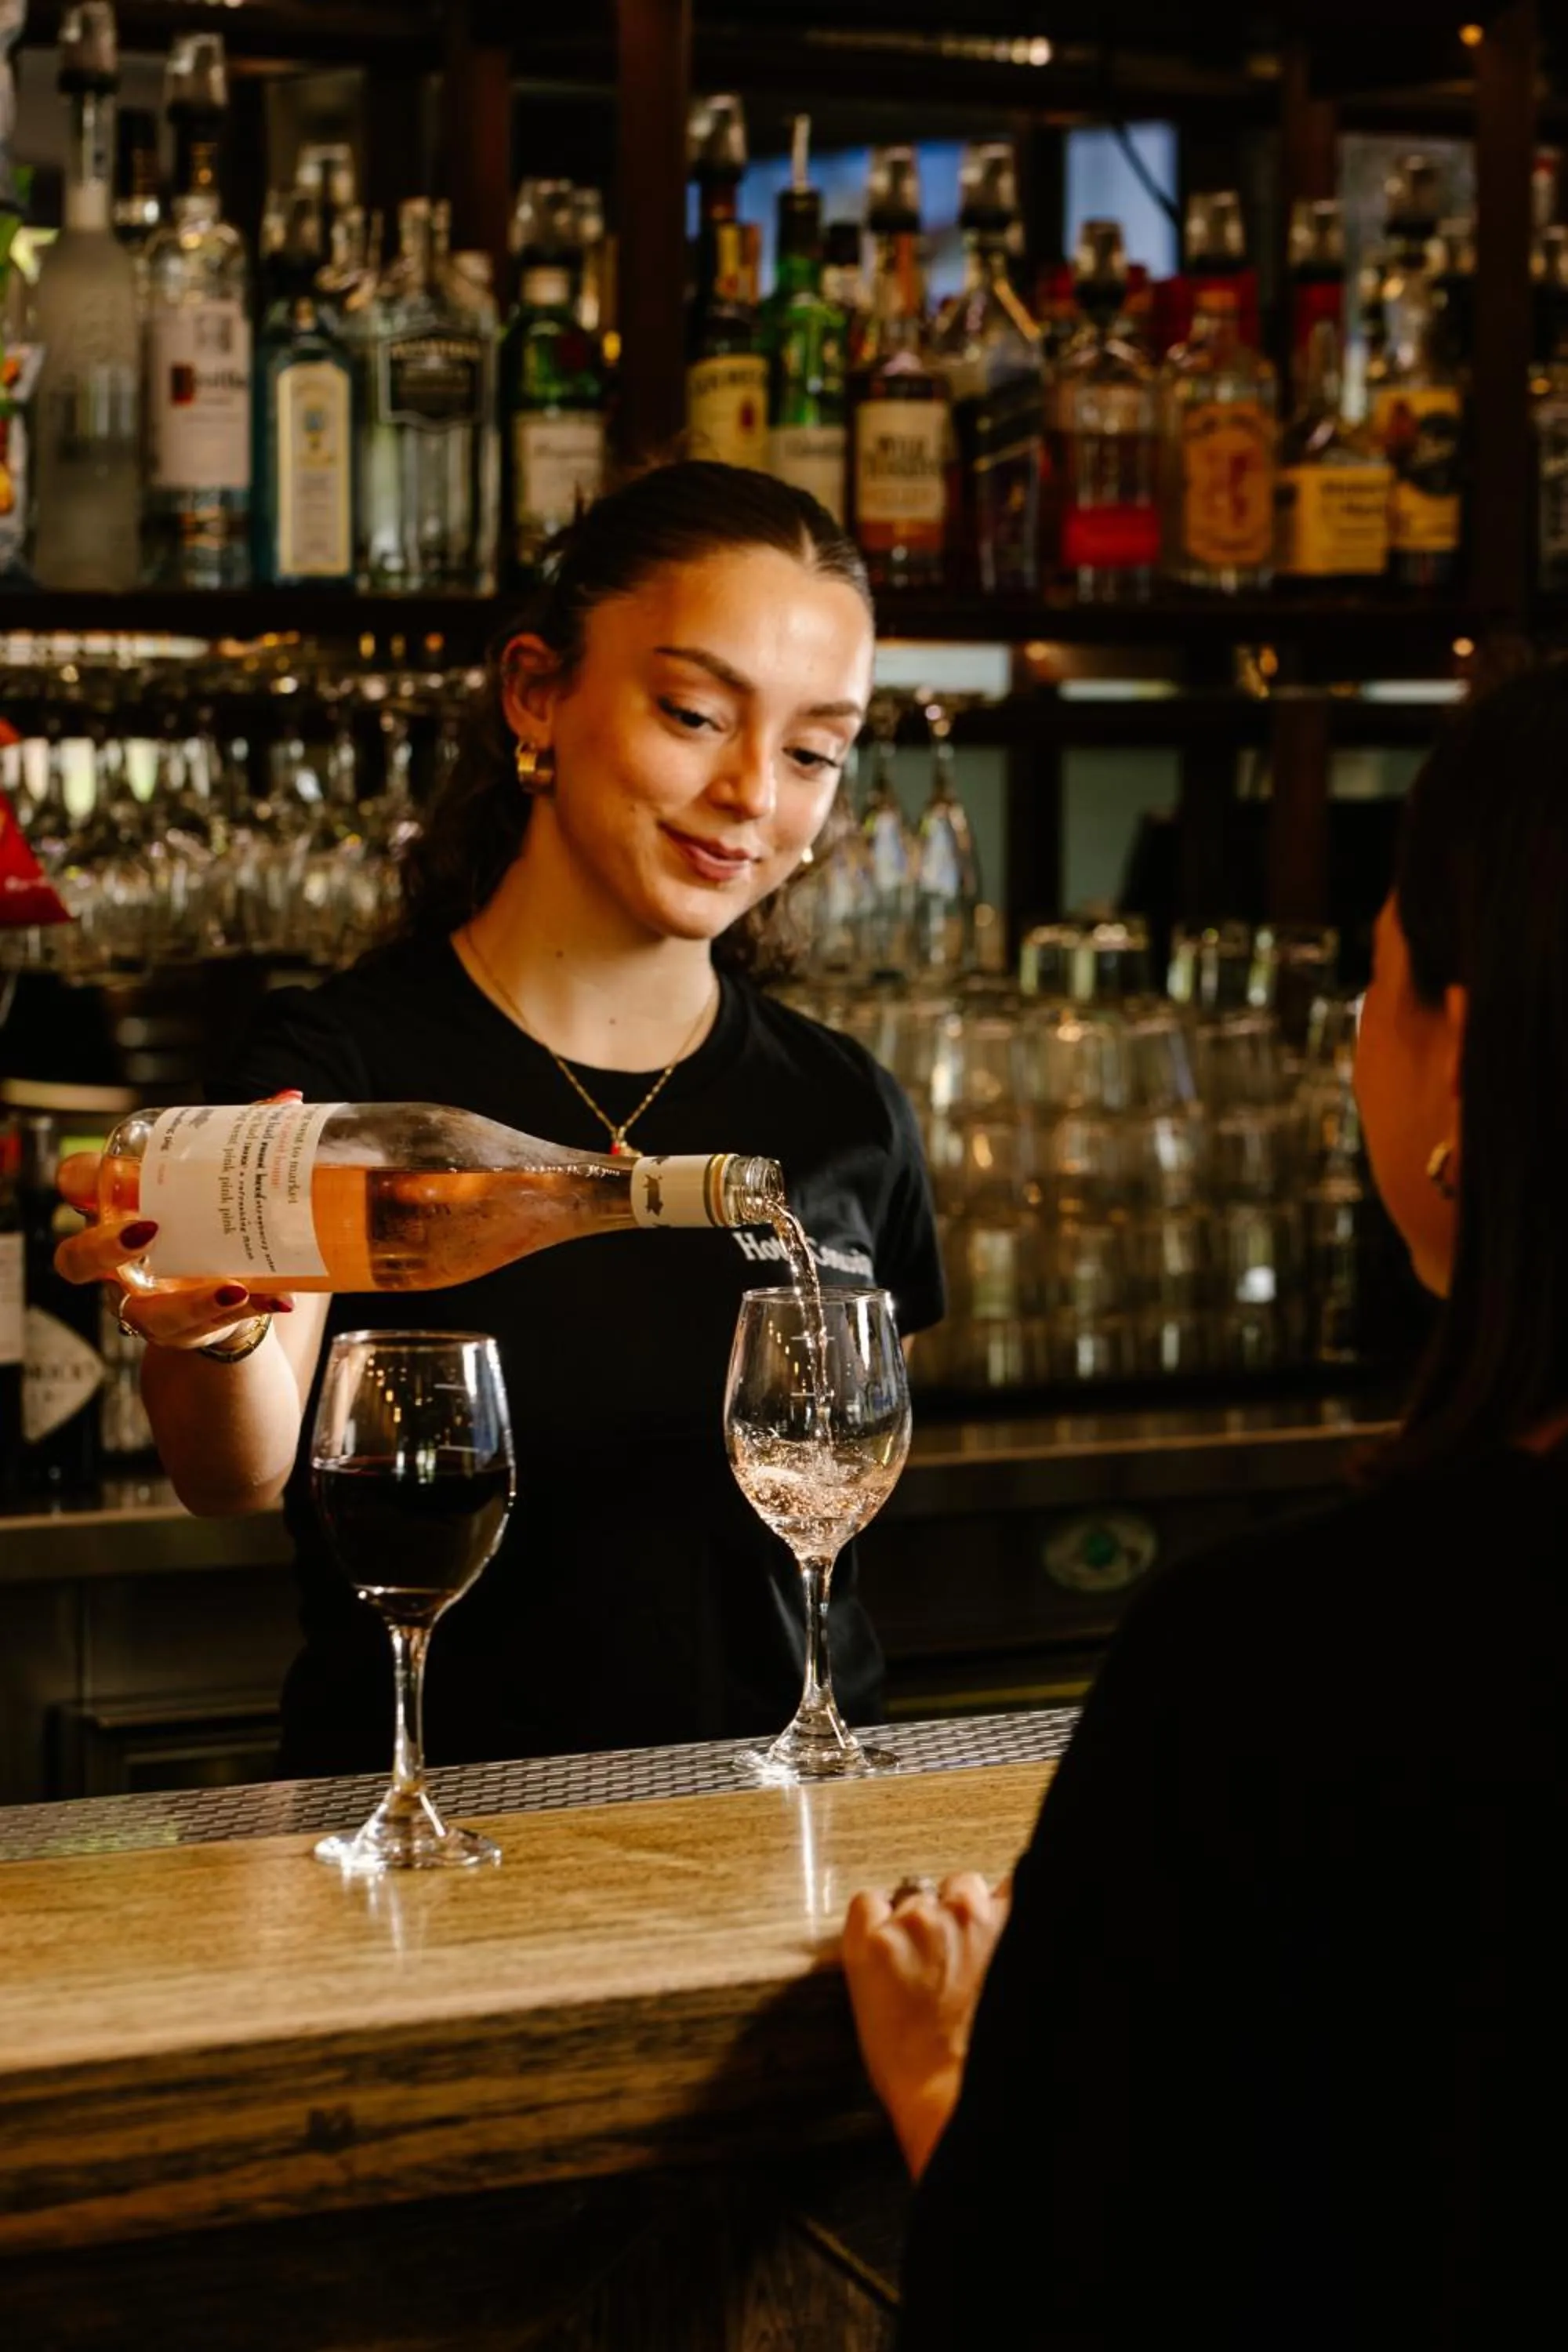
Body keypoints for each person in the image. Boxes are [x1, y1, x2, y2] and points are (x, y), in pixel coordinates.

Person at [844, 664, 1568, 2347]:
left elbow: (1061, 2299)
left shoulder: (1284, 1673)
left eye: (1373, 982)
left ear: (1459, 1052)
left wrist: (949, 2074)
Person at [56, 462, 944, 1773]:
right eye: (697, 714)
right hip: (442, 1842)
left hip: (789, 1837)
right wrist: (215, 1335)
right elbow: (234, 1473)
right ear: (537, 691)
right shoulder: (346, 1068)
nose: (758, 791)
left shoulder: (840, 1104)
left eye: (815, 749)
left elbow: (842, 1506)